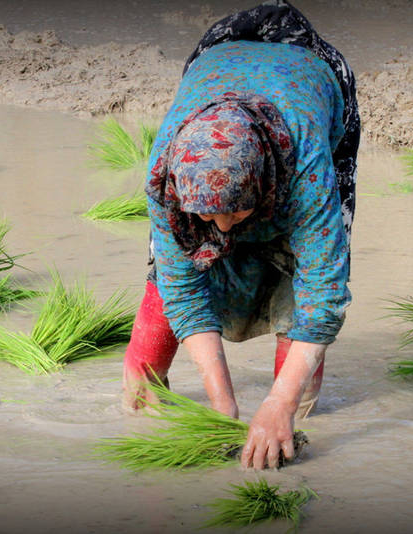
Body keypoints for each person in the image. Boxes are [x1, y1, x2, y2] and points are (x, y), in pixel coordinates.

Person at [122, 1, 359, 470]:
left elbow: (324, 291)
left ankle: (294, 403)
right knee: (170, 266)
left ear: (267, 185)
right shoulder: (167, 171)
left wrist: (279, 405)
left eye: (238, 211)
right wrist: (223, 408)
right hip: (215, 60)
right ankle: (141, 389)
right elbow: (181, 285)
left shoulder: (306, 162)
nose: (226, 230)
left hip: (313, 83)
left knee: (306, 271)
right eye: (212, 217)